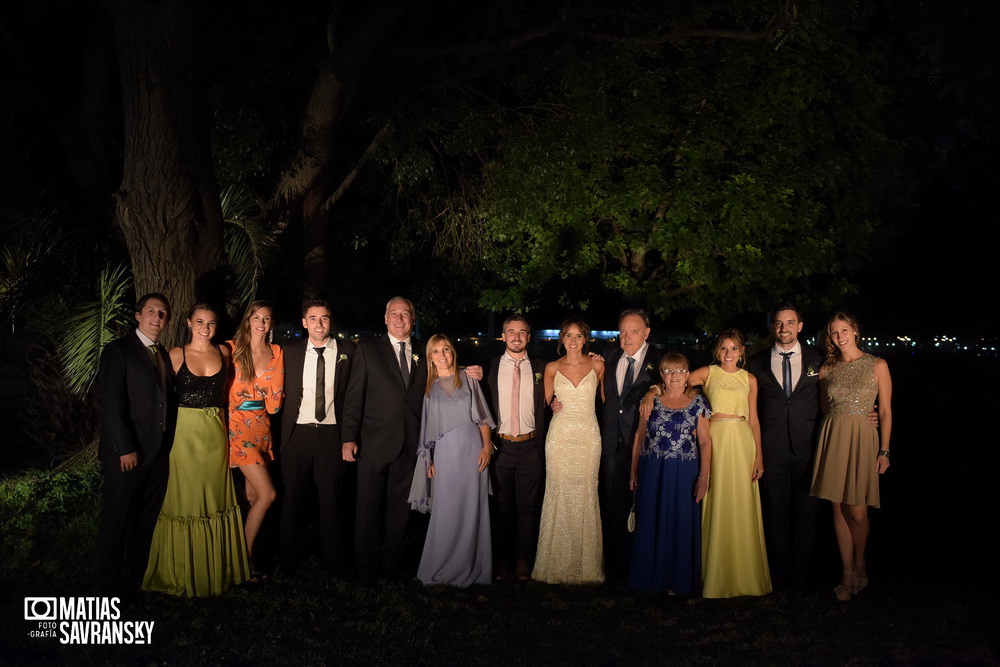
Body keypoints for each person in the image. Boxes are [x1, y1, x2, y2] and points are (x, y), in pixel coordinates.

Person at [144, 304, 249, 597]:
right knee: (185, 498)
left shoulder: (225, 354)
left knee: (214, 499)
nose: (206, 327)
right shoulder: (175, 355)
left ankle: (217, 570)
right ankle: (180, 571)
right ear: (189, 323)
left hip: (215, 435)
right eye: (200, 321)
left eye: (211, 323)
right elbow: (159, 398)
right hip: (184, 436)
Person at [97, 293, 176, 597]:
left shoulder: (163, 354)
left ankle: (134, 578)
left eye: (163, 313)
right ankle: (108, 586)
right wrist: (125, 447)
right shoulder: (119, 351)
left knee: (145, 519)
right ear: (138, 316)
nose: (158, 317)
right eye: (152, 312)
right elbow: (112, 404)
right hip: (128, 454)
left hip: (157, 455)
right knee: (118, 517)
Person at [810, 312, 892, 601]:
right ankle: (847, 573)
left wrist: (884, 449)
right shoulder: (826, 368)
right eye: (834, 332)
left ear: (855, 331)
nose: (839, 336)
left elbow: (884, 411)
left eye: (844, 330)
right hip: (833, 437)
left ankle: (860, 562)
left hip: (863, 440)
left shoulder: (877, 364)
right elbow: (825, 407)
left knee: (857, 511)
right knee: (837, 509)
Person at [747, 302, 823, 592]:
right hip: (771, 449)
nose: (784, 328)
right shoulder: (756, 363)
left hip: (808, 448)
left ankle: (802, 577)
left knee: (807, 514)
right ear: (772, 327)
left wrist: (866, 412)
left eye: (790, 322)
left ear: (800, 326)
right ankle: (777, 575)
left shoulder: (819, 359)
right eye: (779, 323)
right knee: (775, 514)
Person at [408, 335, 494, 586]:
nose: (442, 355)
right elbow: (426, 427)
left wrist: (487, 447)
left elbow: (482, 417)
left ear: (452, 352)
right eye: (436, 351)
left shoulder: (468, 378)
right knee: (445, 512)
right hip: (444, 455)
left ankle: (472, 567)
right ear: (430, 358)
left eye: (446, 349)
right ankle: (441, 566)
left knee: (471, 510)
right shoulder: (428, 388)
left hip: (471, 450)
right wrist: (429, 460)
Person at [690, 329, 771, 598]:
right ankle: (713, 573)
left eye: (733, 348)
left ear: (742, 351)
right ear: (717, 351)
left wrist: (758, 454)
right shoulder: (707, 373)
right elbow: (677, 383)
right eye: (724, 348)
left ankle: (745, 576)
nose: (728, 353)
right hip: (716, 438)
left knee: (740, 502)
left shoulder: (749, 379)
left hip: (741, 441)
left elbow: (755, 419)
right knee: (717, 498)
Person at [279, 300, 356, 577]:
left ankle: (332, 561)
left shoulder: (349, 351)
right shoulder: (288, 352)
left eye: (324, 318)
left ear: (330, 321)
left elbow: (355, 396)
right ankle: (288, 559)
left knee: (332, 500)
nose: (319, 324)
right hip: (297, 433)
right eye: (313, 318)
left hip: (331, 434)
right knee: (293, 500)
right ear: (304, 322)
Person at [629, 353, 712, 595]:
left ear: (687, 374)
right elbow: (639, 436)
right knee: (652, 519)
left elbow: (706, 442)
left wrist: (704, 477)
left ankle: (680, 581)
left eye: (679, 371)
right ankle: (651, 578)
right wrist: (634, 470)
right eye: (668, 371)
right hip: (653, 469)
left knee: (681, 521)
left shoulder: (699, 403)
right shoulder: (650, 402)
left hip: (684, 471)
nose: (674, 376)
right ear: (662, 376)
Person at [532, 318, 606, 584]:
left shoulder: (598, 365)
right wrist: (552, 405)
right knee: (559, 491)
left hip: (588, 435)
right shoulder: (552, 367)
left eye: (578, 336)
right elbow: (545, 401)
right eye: (568, 336)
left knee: (586, 491)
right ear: (561, 339)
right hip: (560, 436)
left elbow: (609, 401)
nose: (573, 341)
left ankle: (586, 567)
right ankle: (554, 565)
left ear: (585, 339)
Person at [599, 309, 662, 580]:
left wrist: (655, 389)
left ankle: (645, 564)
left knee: (644, 505)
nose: (627, 337)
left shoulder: (660, 361)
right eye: (622, 331)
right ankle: (617, 567)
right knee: (614, 506)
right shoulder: (608, 358)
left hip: (644, 444)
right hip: (612, 444)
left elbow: (680, 385)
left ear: (646, 333)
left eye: (633, 331)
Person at [486, 315, 548, 582]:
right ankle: (501, 560)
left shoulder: (542, 367)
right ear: (503, 335)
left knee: (527, 508)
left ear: (529, 337)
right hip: (500, 447)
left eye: (523, 332)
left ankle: (523, 559)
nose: (517, 336)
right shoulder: (489, 368)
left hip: (530, 446)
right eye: (511, 332)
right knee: (500, 507)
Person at [227, 300, 283, 582]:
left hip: (262, 429)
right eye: (256, 317)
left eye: (267, 318)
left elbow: (274, 404)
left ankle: (253, 556)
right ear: (248, 320)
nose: (262, 322)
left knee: (253, 497)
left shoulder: (276, 352)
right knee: (268, 494)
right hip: (237, 429)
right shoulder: (231, 349)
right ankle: (242, 562)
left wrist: (269, 394)